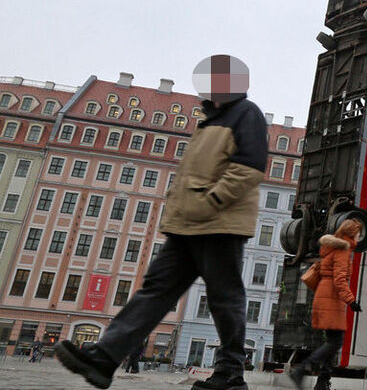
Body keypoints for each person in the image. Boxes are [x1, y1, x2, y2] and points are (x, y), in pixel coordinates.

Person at [54, 55, 268, 390]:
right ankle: (105, 357)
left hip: (219, 222)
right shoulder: (208, 121)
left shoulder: (247, 114)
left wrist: (211, 201)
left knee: (224, 297)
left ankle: (230, 372)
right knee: (155, 290)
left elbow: (249, 168)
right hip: (186, 224)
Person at [289, 220, 363, 390]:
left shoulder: (331, 248)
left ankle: (322, 382)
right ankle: (302, 369)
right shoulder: (343, 250)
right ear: (352, 234)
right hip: (332, 297)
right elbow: (339, 280)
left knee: (332, 340)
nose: (360, 237)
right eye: (358, 233)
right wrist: (351, 300)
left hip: (324, 295)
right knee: (336, 341)